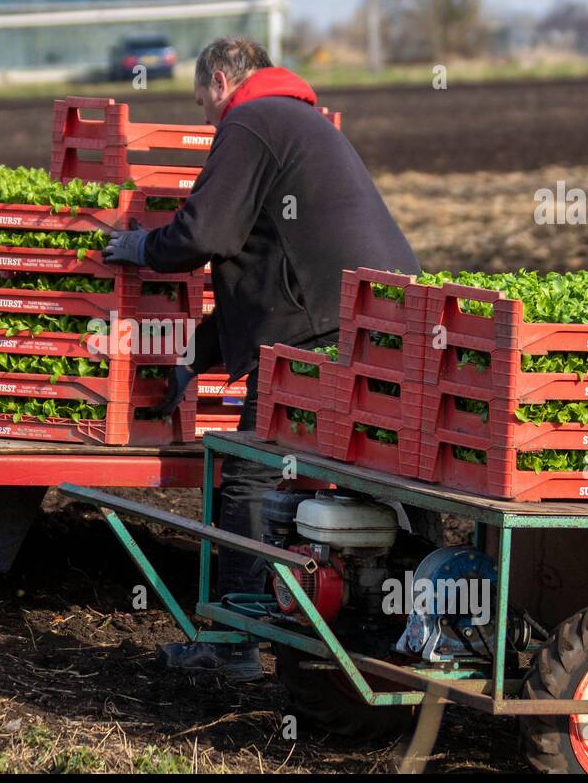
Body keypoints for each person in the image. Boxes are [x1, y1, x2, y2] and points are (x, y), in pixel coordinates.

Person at [104, 37, 421, 678]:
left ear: (221, 81)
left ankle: (231, 641)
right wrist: (195, 357)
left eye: (202, 104)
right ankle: (405, 628)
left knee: (250, 468)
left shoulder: (249, 119)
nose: (207, 120)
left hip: (322, 328)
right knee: (386, 474)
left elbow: (203, 235)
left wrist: (134, 246)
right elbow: (270, 271)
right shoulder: (296, 121)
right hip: (386, 313)